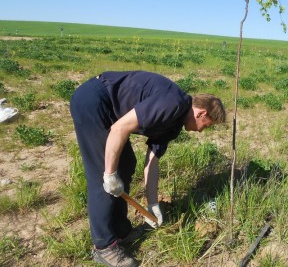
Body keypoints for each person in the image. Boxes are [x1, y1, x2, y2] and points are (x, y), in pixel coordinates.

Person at [69, 71, 226, 267]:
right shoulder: (173, 103)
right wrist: (109, 174)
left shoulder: (174, 125)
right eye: (206, 125)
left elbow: (152, 160)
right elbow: (120, 129)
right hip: (93, 101)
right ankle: (104, 247)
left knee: (126, 164)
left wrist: (153, 204)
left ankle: (121, 230)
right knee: (102, 173)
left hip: (109, 111)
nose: (202, 131)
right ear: (202, 113)